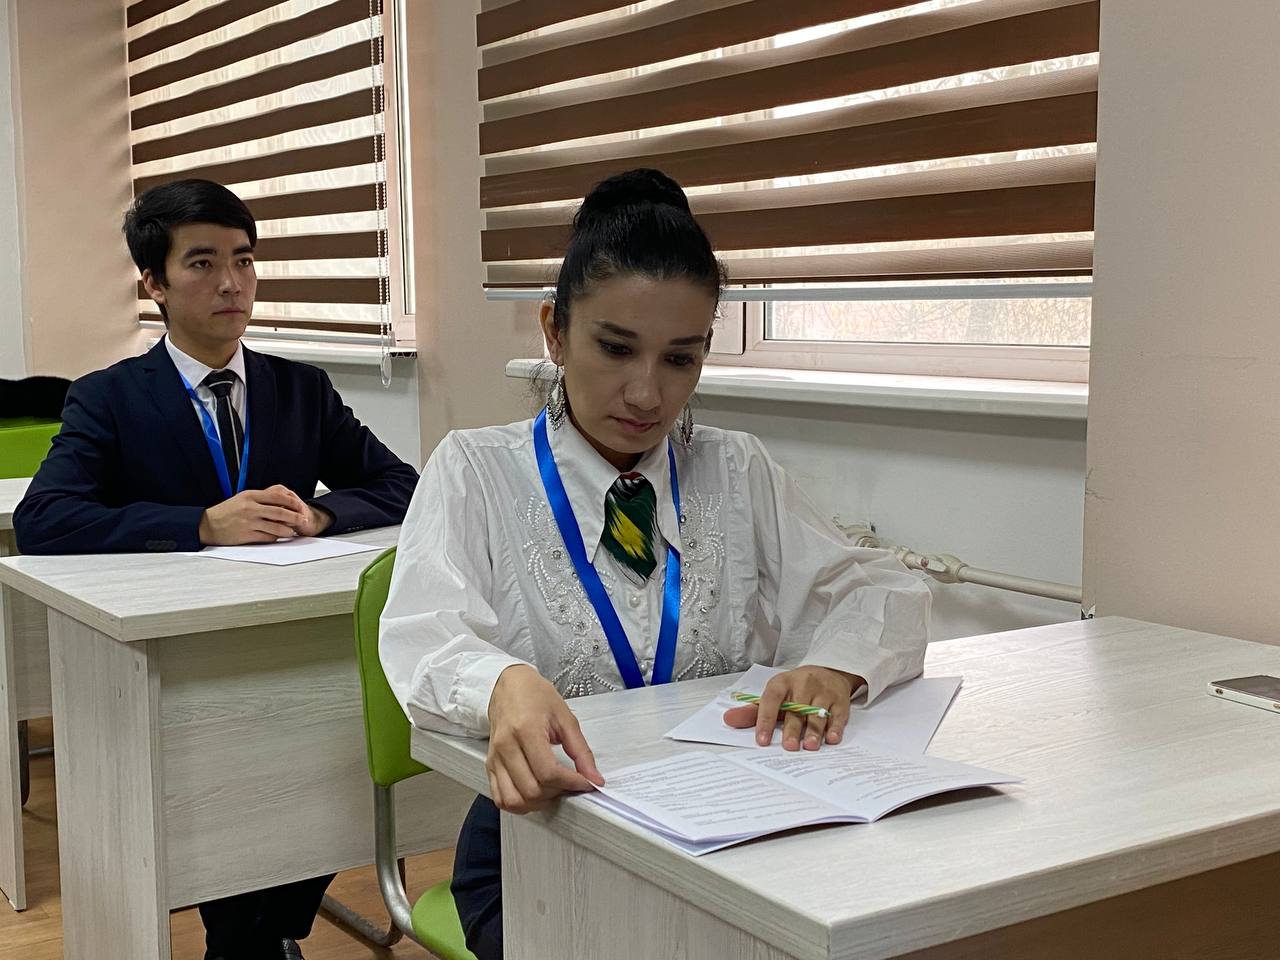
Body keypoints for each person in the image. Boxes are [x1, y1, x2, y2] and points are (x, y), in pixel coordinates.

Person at [379, 169, 931, 960]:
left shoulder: (736, 469)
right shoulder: (476, 470)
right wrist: (501, 683)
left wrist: (834, 668)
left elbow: (882, 588)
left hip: (723, 828)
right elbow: (421, 633)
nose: (647, 394)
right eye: (615, 348)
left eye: (681, 358)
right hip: (544, 842)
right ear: (554, 331)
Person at [15, 179, 419, 960]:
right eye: (202, 263)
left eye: (244, 260)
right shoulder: (108, 399)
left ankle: (266, 933)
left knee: (323, 773)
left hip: (291, 634)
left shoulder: (299, 388)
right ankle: (244, 940)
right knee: (223, 798)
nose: (232, 282)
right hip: (180, 650)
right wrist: (198, 525)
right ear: (155, 284)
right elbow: (45, 518)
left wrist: (321, 514)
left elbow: (398, 482)